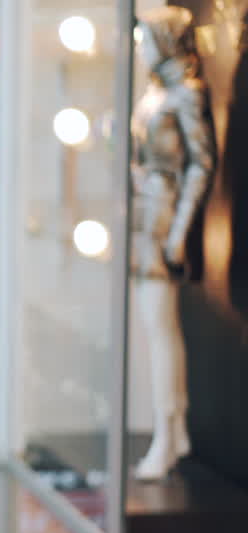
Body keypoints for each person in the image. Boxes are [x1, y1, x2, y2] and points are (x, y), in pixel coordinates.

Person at [130, 6, 216, 480]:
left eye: (148, 37)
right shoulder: (154, 93)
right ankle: (174, 429)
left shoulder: (186, 93)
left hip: (164, 216)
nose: (142, 46)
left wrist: (181, 231)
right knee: (152, 326)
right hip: (143, 212)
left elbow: (200, 164)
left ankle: (167, 430)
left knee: (161, 327)